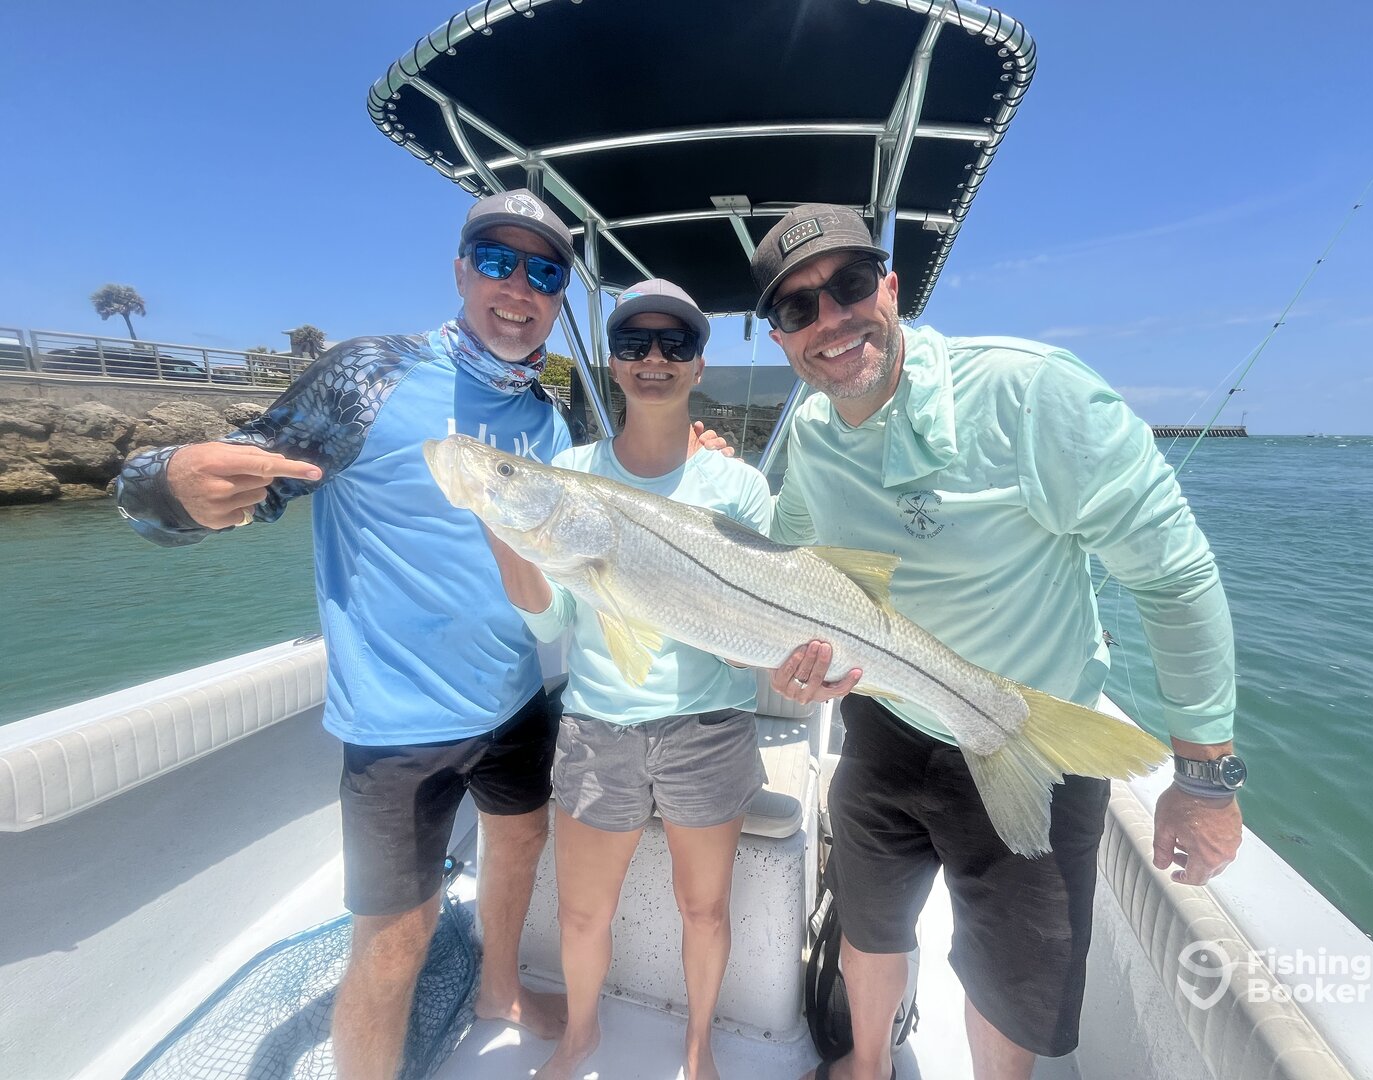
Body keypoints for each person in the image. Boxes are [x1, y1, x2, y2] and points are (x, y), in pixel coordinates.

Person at [115, 190, 725, 1080]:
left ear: (558, 295)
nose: (518, 288)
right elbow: (245, 473)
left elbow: (599, 513)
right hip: (396, 720)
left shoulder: (545, 414)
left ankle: (499, 991)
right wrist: (167, 484)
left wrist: (693, 458)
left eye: (543, 272)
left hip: (515, 696)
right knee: (396, 940)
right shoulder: (370, 374)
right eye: (497, 261)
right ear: (460, 270)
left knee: (517, 848)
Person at [750, 204, 1244, 1080]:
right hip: (887, 721)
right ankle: (865, 1067)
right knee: (868, 923)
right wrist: (797, 652)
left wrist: (1203, 779)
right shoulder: (814, 435)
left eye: (849, 285)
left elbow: (1173, 575)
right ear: (783, 339)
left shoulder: (1033, 394)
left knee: (1007, 977)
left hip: (1030, 732)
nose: (829, 319)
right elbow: (791, 562)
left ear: (890, 288)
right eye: (797, 308)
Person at [488, 279, 772, 1080]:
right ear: (612, 362)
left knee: (704, 909)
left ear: (699, 364)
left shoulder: (740, 487)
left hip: (710, 727)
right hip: (597, 727)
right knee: (581, 914)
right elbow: (550, 623)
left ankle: (698, 1048)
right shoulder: (568, 475)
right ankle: (581, 1037)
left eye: (675, 343)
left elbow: (755, 637)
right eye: (633, 342)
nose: (654, 357)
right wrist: (508, 539)